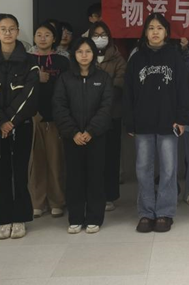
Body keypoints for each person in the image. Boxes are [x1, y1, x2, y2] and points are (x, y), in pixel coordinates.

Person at [124, 13, 189, 233]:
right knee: (143, 169)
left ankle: (164, 212)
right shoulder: (136, 58)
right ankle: (146, 213)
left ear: (166, 32)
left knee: (169, 169)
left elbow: (183, 89)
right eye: (151, 28)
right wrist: (130, 122)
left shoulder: (175, 57)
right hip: (142, 122)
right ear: (145, 32)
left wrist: (182, 118)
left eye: (159, 28)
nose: (155, 32)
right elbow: (128, 93)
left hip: (169, 122)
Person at [0, 14, 40, 239]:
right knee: (0, 173)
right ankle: (3, 219)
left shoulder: (30, 61)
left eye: (12, 28)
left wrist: (11, 121)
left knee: (20, 172)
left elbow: (30, 94)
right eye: (3, 29)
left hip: (21, 124)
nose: (7, 33)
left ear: (17, 31)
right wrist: (0, 121)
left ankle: (20, 218)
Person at [53, 37, 114, 234]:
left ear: (94, 54)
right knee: (74, 177)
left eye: (88, 51)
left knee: (96, 177)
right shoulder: (65, 78)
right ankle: (76, 217)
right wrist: (73, 132)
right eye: (80, 52)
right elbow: (59, 106)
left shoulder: (103, 78)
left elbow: (106, 107)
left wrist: (90, 131)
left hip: (96, 136)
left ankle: (95, 217)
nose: (84, 55)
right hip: (72, 137)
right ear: (74, 54)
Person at [28, 22, 71, 218]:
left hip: (55, 117)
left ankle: (57, 201)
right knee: (35, 162)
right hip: (32, 117)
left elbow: (67, 88)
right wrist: (35, 79)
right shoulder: (27, 60)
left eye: (47, 35)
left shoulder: (62, 61)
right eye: (39, 34)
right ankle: (37, 201)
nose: (43, 38)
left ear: (54, 39)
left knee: (56, 161)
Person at [88, 21, 127, 211]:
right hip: (87, 116)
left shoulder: (118, 58)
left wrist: (100, 95)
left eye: (103, 35)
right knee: (91, 158)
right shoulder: (84, 55)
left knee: (110, 157)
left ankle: (109, 196)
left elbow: (119, 84)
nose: (100, 38)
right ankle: (91, 194)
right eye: (96, 35)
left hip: (112, 115)